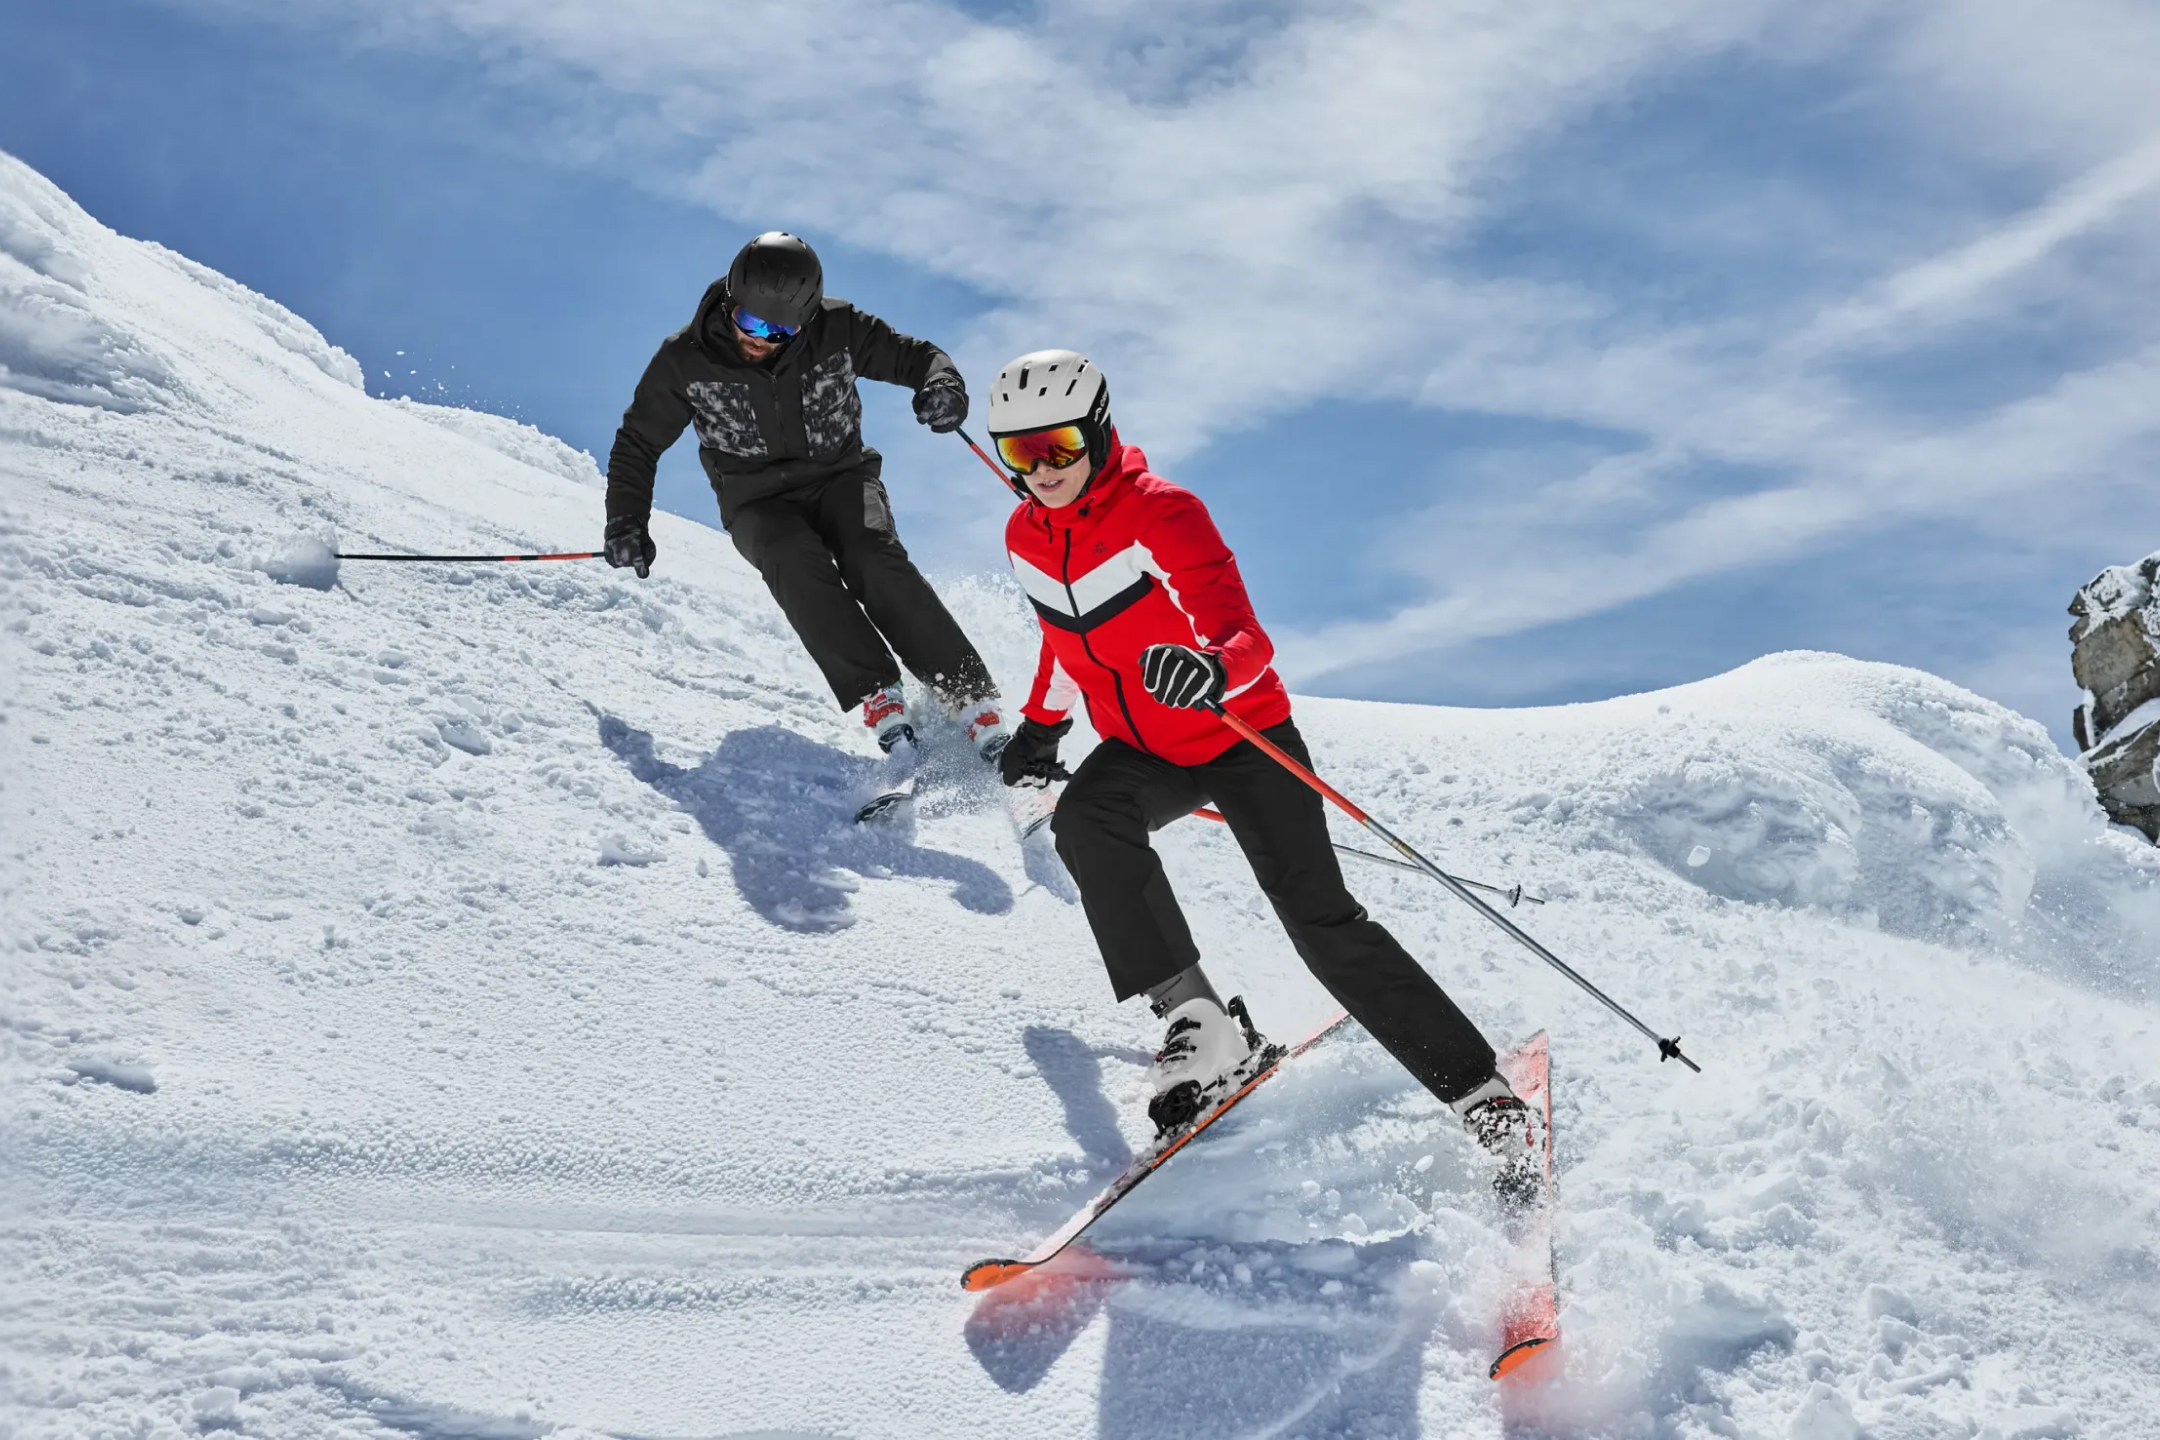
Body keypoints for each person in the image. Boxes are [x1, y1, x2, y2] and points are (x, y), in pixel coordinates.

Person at [985, 348, 1534, 1199]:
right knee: (1086, 819)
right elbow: (1062, 637)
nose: (1044, 469)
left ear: (1096, 431)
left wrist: (1212, 668)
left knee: (1321, 924)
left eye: (1057, 444)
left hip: (1241, 732)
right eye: (1022, 453)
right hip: (1146, 749)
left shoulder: (1161, 512)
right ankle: (1200, 1022)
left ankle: (1483, 1096)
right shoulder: (1026, 535)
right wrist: (1042, 723)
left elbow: (1243, 632)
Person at [602, 231, 1008, 760]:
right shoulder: (685, 361)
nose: (761, 339)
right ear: (731, 300)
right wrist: (626, 520)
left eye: (780, 329)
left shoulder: (837, 328)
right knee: (791, 556)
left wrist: (943, 386)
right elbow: (638, 442)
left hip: (841, 477)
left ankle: (971, 700)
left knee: (871, 553)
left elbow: (916, 357)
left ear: (807, 318)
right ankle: (880, 697)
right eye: (749, 321)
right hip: (755, 501)